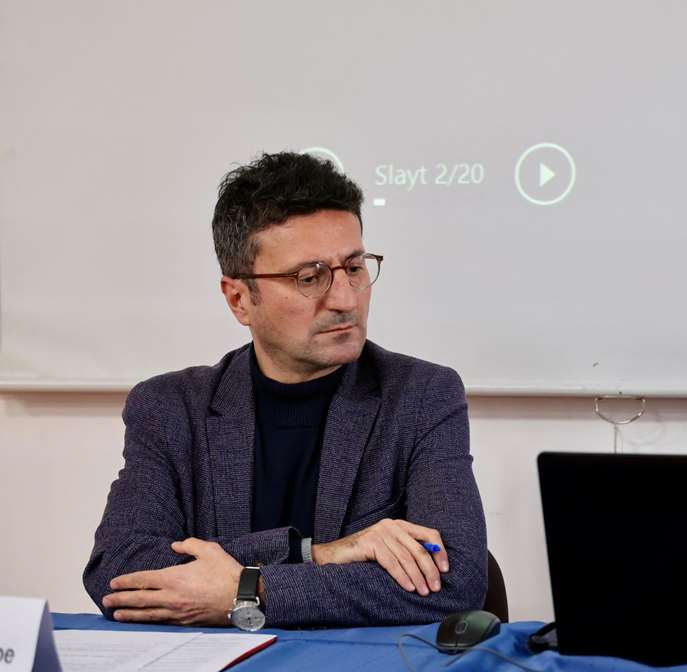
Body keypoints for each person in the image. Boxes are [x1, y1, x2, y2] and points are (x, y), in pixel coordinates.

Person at [83, 152, 487, 628]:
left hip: (356, 670)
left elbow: (455, 579)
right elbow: (119, 571)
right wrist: (318, 553)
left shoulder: (421, 396)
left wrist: (247, 592)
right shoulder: (170, 408)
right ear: (239, 299)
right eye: (309, 277)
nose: (345, 299)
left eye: (354, 268)